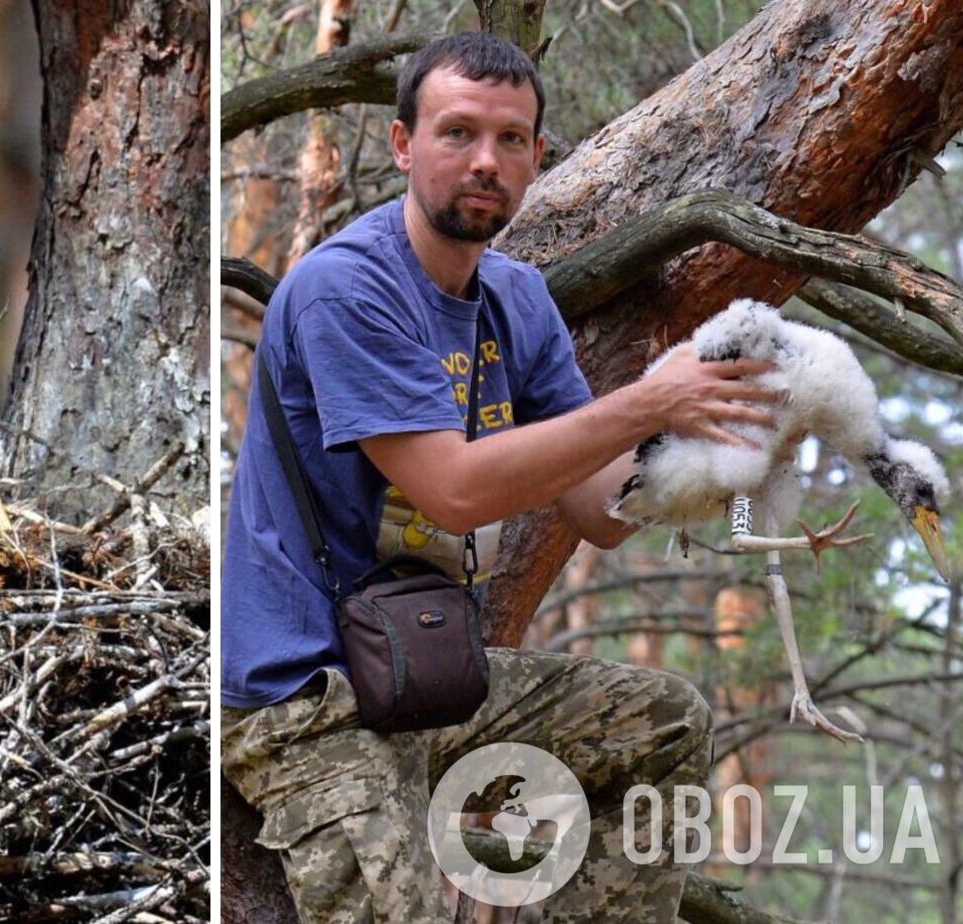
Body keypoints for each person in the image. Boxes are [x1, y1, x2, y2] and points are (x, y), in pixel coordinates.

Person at [220, 31, 779, 923]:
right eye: (457, 133)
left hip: (428, 673)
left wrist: (727, 456)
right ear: (404, 145)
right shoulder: (346, 288)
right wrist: (649, 402)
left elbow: (599, 509)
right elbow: (455, 489)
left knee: (664, 720)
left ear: (536, 158)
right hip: (309, 698)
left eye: (510, 140)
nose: (486, 161)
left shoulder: (518, 299)